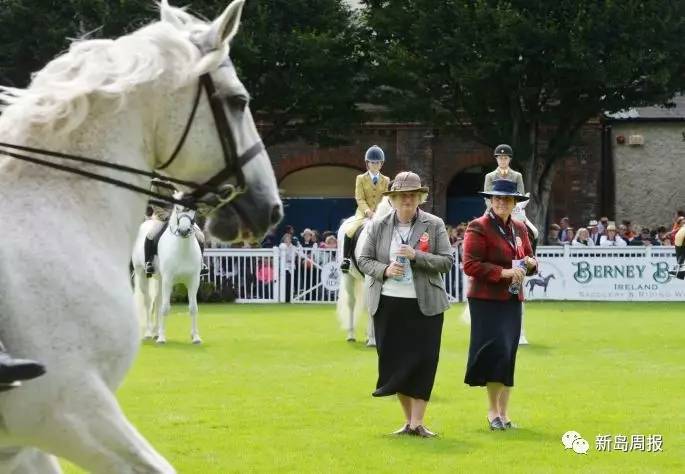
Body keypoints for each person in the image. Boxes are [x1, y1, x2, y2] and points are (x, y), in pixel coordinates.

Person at [357, 171, 453, 438]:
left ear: (420, 198)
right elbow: (364, 260)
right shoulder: (378, 226)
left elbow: (446, 261)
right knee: (395, 364)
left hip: (425, 307)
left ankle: (417, 423)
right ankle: (408, 421)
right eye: (401, 196)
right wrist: (386, 270)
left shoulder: (434, 225)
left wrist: (417, 255)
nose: (406, 200)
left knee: (424, 362)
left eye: (411, 196)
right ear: (393, 199)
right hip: (389, 304)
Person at [462, 179, 537, 431]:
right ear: (490, 201)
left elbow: (527, 257)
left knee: (508, 355)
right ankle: (492, 412)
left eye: (506, 199)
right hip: (486, 301)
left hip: (512, 300)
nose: (501, 202)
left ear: (514, 203)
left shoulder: (519, 228)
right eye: (496, 199)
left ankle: (505, 415)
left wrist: (532, 264)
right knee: (495, 356)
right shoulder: (478, 226)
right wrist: (503, 273)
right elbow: (470, 265)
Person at [144, 179, 208, 277]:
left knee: (201, 236)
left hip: (182, 217)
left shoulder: (179, 179)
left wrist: (185, 214)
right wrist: (166, 216)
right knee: (151, 234)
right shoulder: (156, 183)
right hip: (162, 217)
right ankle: (148, 262)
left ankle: (201, 263)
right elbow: (155, 203)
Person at [341, 145, 390, 273]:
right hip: (363, 212)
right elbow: (359, 198)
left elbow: (385, 198)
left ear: (381, 164)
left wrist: (379, 212)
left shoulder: (386, 180)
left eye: (377, 162)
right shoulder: (361, 178)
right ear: (367, 163)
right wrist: (368, 211)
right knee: (350, 230)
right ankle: (346, 259)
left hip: (380, 213)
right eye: (372, 162)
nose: (374, 165)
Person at [483, 144, 524, 209]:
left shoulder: (517, 176)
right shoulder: (489, 176)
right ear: (496, 159)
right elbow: (487, 197)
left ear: (510, 159)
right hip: (494, 209)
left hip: (513, 209)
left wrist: (513, 209)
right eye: (500, 158)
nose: (503, 161)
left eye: (505, 158)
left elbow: (521, 195)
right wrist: (494, 210)